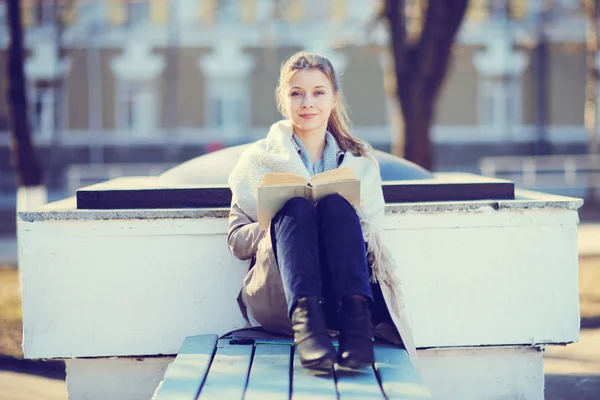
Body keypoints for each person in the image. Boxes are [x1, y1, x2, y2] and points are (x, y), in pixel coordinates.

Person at [227, 51, 417, 371]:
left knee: (336, 205)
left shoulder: (359, 162)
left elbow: (370, 238)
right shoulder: (256, 161)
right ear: (283, 100)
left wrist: (331, 214)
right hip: (283, 293)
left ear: (333, 99)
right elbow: (236, 241)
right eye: (296, 93)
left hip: (342, 291)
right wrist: (275, 221)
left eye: (318, 93)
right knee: (296, 208)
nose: (307, 104)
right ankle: (308, 331)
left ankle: (357, 329)